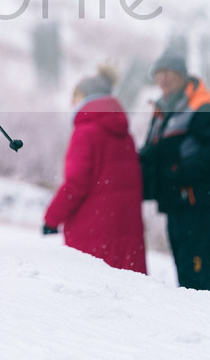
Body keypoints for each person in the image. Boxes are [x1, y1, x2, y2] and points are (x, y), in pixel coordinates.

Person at [43, 65, 147, 274]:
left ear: (85, 98)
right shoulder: (125, 134)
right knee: (127, 290)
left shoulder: (86, 132)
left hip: (92, 231)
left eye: (74, 97)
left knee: (94, 286)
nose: (71, 104)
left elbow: (76, 183)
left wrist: (51, 219)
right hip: (125, 230)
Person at [139, 48, 210, 291]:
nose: (164, 78)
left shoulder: (202, 106)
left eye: (169, 72)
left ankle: (209, 317)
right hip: (174, 203)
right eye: (159, 73)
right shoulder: (164, 109)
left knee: (196, 277)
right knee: (185, 276)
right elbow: (153, 151)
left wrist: (180, 173)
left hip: (197, 204)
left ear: (182, 74)